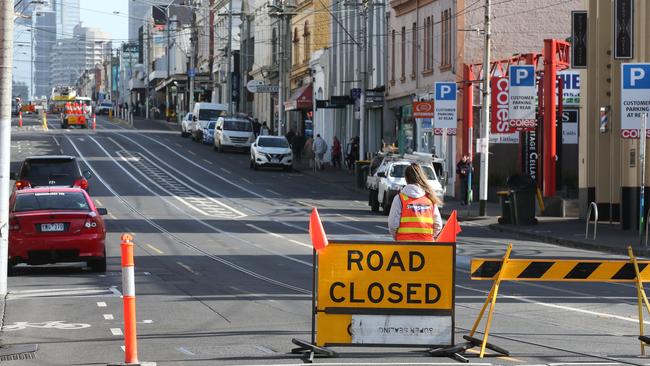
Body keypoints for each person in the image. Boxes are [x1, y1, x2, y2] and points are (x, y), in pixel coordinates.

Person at [388, 163, 443, 241]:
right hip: (426, 245)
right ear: (421, 177)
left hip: (403, 245)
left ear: (406, 178)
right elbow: (438, 225)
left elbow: (393, 225)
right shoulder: (430, 199)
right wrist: (427, 237)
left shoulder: (399, 199)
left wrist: (397, 238)